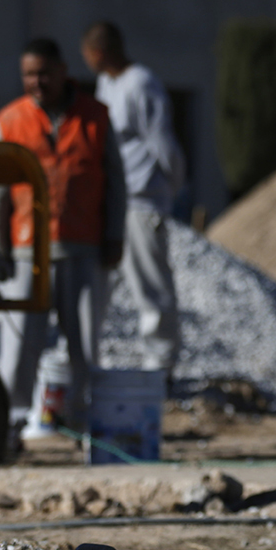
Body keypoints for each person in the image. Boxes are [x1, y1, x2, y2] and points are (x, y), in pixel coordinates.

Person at [0, 37, 127, 436]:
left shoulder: (96, 117)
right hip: (27, 252)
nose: (37, 81)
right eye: (29, 74)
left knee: (83, 346)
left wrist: (115, 235)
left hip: (83, 248)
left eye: (44, 73)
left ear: (63, 71)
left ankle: (80, 420)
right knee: (18, 348)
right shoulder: (10, 121)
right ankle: (10, 424)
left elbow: (115, 181)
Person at [81, 21, 185, 377]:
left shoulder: (141, 84)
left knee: (150, 283)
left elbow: (162, 143)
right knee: (99, 282)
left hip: (142, 200)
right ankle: (86, 357)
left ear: (98, 52)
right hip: (112, 200)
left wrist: (167, 188)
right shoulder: (106, 85)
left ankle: (161, 364)